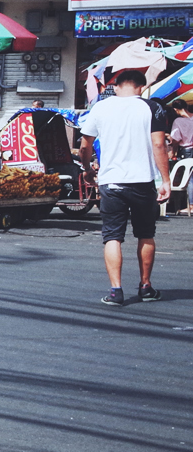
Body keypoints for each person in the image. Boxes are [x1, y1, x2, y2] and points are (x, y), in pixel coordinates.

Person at [78, 67, 171, 305]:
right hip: (142, 182)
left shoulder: (100, 107)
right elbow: (159, 145)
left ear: (117, 87)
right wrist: (166, 180)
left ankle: (115, 291)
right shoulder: (152, 107)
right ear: (142, 88)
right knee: (146, 234)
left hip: (111, 182)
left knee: (112, 237)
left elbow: (84, 146)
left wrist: (87, 170)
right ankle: (146, 287)